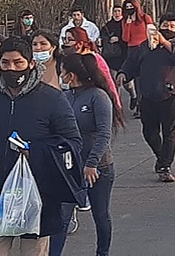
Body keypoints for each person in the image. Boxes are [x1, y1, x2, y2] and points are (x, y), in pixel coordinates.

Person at [0, 37, 84, 255]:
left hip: (37, 196)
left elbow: (72, 142)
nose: (12, 69)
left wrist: (35, 151)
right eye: (6, 63)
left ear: (31, 64)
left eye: (18, 63)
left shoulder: (52, 99)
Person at [50, 53, 125, 256]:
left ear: (71, 75)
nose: (60, 75)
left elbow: (104, 134)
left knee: (100, 215)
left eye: (63, 71)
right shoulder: (65, 97)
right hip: (70, 168)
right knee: (62, 216)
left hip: (98, 168)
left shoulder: (98, 97)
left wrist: (91, 163)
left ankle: (102, 252)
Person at [117, 13, 175, 183]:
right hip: (148, 95)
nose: (168, 29)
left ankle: (165, 166)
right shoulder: (145, 47)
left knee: (169, 133)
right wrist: (123, 73)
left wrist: (164, 42)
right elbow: (132, 63)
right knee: (149, 132)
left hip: (171, 95)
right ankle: (161, 156)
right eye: (165, 25)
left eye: (172, 26)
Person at [62, 27, 121, 114]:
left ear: (80, 43)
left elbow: (108, 81)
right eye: (65, 39)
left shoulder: (94, 59)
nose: (66, 44)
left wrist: (115, 103)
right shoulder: (71, 59)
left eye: (70, 40)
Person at [120, 0, 152, 113]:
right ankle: (137, 99)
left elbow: (152, 32)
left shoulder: (145, 18)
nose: (129, 9)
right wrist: (128, 24)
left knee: (142, 77)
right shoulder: (125, 21)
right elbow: (125, 38)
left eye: (131, 6)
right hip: (132, 49)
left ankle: (142, 103)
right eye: (127, 7)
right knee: (133, 77)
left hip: (144, 48)